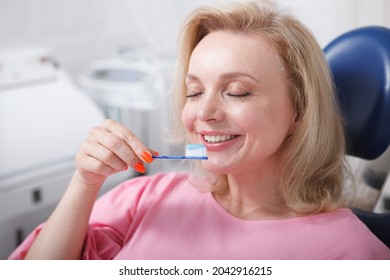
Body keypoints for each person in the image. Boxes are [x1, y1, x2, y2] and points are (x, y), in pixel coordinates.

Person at [9, 0, 390, 260]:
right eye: (194, 91)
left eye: (237, 91)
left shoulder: (349, 250)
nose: (204, 112)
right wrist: (84, 181)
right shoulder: (149, 195)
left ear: (300, 110)